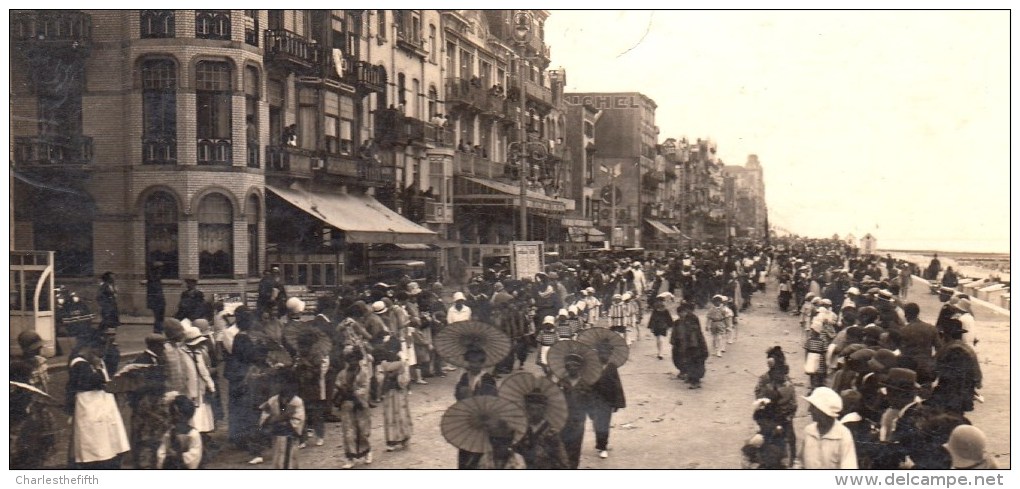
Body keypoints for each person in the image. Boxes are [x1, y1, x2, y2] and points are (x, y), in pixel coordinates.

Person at [66, 337, 131, 469]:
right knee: (92, 439)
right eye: (97, 352)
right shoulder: (79, 364)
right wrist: (97, 368)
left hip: (99, 404)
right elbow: (94, 381)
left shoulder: (94, 361)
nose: (100, 356)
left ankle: (106, 457)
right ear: (89, 349)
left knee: (105, 435)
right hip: (88, 405)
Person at [125, 334, 171, 469]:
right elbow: (139, 384)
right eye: (161, 346)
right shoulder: (142, 360)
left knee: (154, 433)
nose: (163, 349)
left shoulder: (157, 359)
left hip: (154, 401)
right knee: (142, 433)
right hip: (144, 403)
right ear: (154, 346)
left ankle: (153, 460)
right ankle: (141, 463)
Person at [455, 348, 499, 468]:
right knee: (465, 451)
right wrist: (462, 392)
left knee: (479, 454)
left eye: (477, 362)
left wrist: (474, 397)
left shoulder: (487, 379)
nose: (473, 365)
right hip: (466, 421)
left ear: (482, 363)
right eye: (471, 362)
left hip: (482, 422)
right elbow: (458, 396)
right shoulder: (464, 377)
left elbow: (491, 400)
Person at [753, 346, 798, 466]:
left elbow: (758, 401)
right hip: (779, 423)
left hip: (774, 423)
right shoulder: (784, 381)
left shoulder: (766, 380)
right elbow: (793, 404)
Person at [797, 387, 857, 469]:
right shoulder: (808, 431)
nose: (809, 410)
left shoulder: (843, 435)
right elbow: (800, 461)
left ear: (823, 411)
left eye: (813, 407)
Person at [334, 347, 373, 469]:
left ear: (358, 359)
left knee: (362, 430)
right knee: (348, 432)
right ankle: (350, 457)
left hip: (359, 405)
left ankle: (367, 451)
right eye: (349, 359)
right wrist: (341, 391)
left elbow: (365, 388)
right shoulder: (342, 374)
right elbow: (337, 388)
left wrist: (355, 393)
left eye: (354, 359)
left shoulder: (363, 373)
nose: (352, 362)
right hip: (346, 405)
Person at [259, 372, 306, 469]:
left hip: (289, 434)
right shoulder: (273, 400)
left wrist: (279, 420)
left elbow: (298, 419)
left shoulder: (296, 401)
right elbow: (265, 414)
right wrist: (271, 421)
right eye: (278, 383)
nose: (279, 386)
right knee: (277, 460)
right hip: (276, 435)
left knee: (289, 462)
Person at [589, 343, 626, 459]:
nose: (604, 356)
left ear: (610, 355)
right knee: (596, 423)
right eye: (601, 353)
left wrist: (617, 402)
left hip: (607, 400)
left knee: (604, 423)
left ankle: (602, 446)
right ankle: (600, 442)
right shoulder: (592, 367)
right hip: (594, 399)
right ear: (597, 354)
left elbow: (617, 384)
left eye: (606, 354)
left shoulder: (612, 367)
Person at [514, 391, 569, 469]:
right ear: (526, 410)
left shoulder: (551, 432)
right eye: (531, 409)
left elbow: (561, 457)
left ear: (544, 410)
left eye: (538, 409)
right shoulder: (522, 429)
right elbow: (516, 449)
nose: (534, 413)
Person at [156, 395, 203, 469]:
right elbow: (162, 450)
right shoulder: (170, 433)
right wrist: (165, 457)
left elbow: (195, 454)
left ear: (187, 417)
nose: (176, 419)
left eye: (180, 417)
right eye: (174, 415)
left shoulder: (193, 434)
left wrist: (179, 456)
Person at [671, 301, 708, 388]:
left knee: (695, 362)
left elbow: (695, 334)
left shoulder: (692, 320)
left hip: (694, 346)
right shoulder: (682, 322)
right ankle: (692, 378)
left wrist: (693, 345)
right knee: (689, 362)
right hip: (689, 345)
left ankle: (695, 381)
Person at [648, 294, 674, 360]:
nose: (660, 302)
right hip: (656, 326)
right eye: (659, 301)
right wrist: (651, 326)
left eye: (662, 301)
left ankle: (660, 353)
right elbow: (652, 318)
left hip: (663, 326)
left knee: (660, 338)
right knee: (658, 339)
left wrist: (670, 325)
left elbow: (669, 318)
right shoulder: (655, 310)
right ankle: (659, 351)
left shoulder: (665, 310)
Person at [147, 262, 166, 334]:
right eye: (160, 268)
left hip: (160, 301)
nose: (161, 270)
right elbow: (152, 291)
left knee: (160, 317)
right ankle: (157, 332)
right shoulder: (153, 279)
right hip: (156, 302)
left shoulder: (157, 278)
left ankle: (159, 331)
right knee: (158, 317)